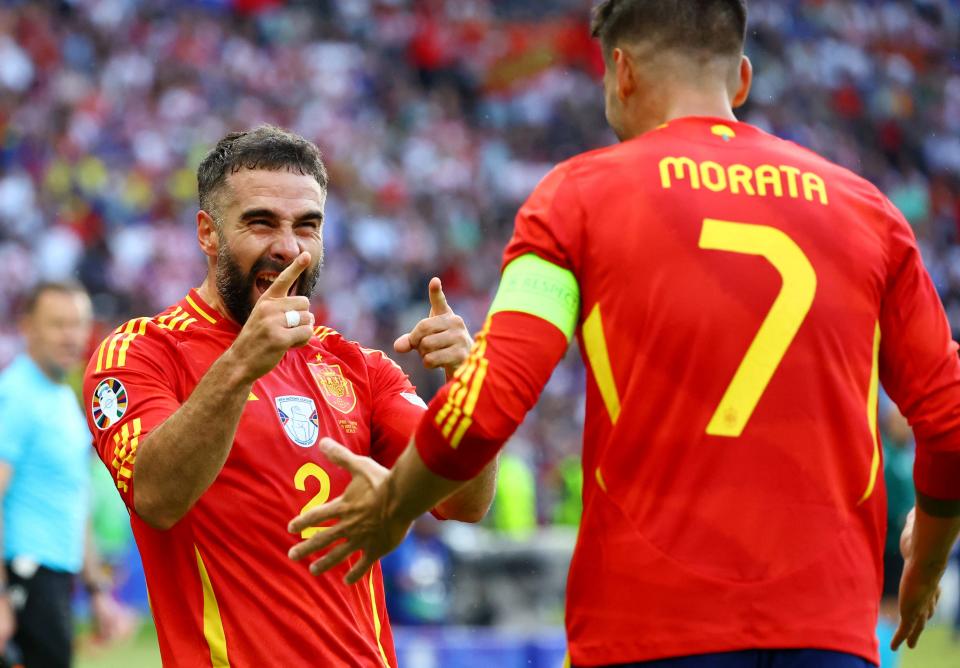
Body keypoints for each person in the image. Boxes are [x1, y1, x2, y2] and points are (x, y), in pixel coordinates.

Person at [288, 1, 960, 667]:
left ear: (622, 71)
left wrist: (394, 506)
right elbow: (951, 422)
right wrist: (924, 563)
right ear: (743, 79)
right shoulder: (869, 213)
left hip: (645, 630)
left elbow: (490, 401)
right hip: (829, 633)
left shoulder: (574, 199)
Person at [81, 125, 497, 666]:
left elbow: (465, 501)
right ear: (208, 233)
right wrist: (241, 365)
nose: (288, 247)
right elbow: (156, 497)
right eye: (261, 223)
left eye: (308, 226)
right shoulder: (141, 353)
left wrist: (468, 392)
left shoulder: (357, 366)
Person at [0, 282, 132, 668]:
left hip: (55, 582)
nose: (71, 336)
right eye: (58, 324)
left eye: (78, 324)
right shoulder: (17, 396)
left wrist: (96, 591)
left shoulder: (61, 398)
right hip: (23, 577)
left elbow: (76, 503)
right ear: (28, 327)